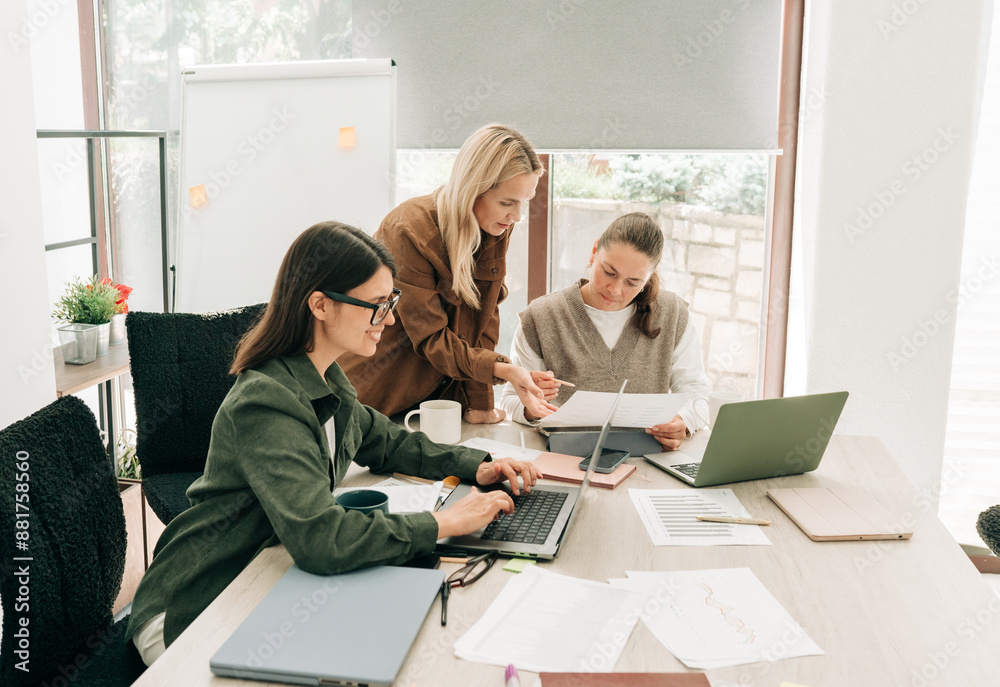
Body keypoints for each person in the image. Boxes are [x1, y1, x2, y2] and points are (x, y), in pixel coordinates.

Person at [126, 222, 540, 665]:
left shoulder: (326, 377)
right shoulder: (266, 402)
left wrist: (479, 464)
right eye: (377, 306)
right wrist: (444, 523)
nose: (391, 319)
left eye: (391, 301)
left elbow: (387, 442)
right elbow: (321, 539)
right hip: (194, 605)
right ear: (320, 305)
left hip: (265, 571)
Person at [339, 123, 557, 425]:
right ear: (472, 189)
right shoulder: (408, 229)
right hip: (377, 396)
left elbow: (485, 316)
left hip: (440, 404)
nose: (517, 215)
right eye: (508, 203)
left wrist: (480, 403)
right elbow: (431, 337)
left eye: (524, 202)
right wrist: (504, 369)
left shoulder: (495, 226)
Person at [499, 212, 710, 449]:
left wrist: (684, 420)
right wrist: (531, 409)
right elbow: (510, 399)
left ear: (649, 276)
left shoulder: (673, 313)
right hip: (563, 460)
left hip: (649, 461)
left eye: (632, 282)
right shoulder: (541, 316)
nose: (615, 290)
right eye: (609, 272)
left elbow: (696, 394)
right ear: (594, 251)